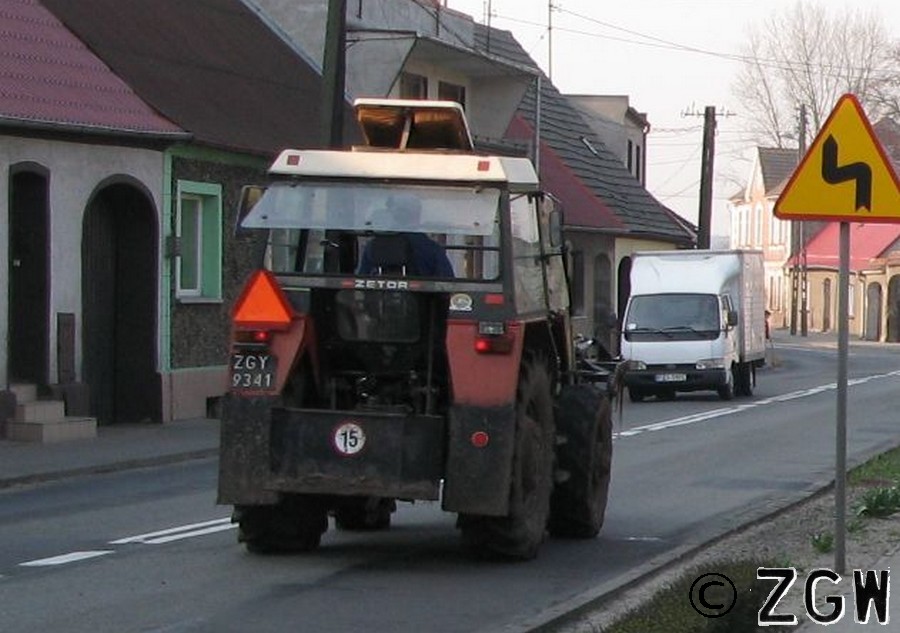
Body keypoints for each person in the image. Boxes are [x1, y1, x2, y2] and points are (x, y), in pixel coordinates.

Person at [357, 193, 454, 278]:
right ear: (417, 215)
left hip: (376, 298)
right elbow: (446, 284)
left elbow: (361, 280)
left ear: (393, 215)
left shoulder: (373, 246)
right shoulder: (432, 249)